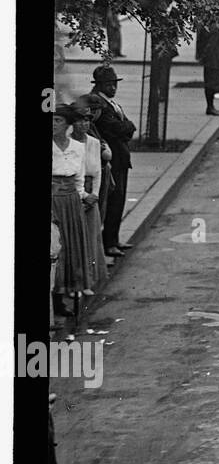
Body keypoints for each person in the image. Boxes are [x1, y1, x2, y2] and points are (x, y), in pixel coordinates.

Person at [51, 104, 95, 317]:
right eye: (51, 120)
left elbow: (79, 178)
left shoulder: (77, 147)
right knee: (56, 249)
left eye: (58, 121)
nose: (53, 125)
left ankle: (70, 291)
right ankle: (56, 299)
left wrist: (84, 197)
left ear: (68, 124)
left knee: (71, 246)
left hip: (71, 201)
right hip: (53, 200)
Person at [89, 64, 134, 257]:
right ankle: (109, 244)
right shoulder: (98, 104)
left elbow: (128, 126)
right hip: (111, 160)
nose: (113, 88)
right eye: (109, 84)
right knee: (113, 202)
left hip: (120, 158)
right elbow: (115, 128)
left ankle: (114, 239)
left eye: (115, 84)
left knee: (119, 201)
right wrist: (126, 127)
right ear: (99, 85)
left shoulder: (110, 103)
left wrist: (126, 127)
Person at [69, 99, 109, 292]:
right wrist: (83, 195)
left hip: (91, 191)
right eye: (79, 121)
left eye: (87, 121)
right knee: (77, 240)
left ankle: (89, 280)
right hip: (76, 192)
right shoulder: (68, 143)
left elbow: (98, 171)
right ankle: (77, 281)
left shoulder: (93, 142)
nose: (83, 125)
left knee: (91, 238)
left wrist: (94, 194)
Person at [196, 17, 219, 116]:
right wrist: (204, 57)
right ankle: (210, 107)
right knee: (211, 84)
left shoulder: (212, 25)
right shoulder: (215, 27)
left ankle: (211, 106)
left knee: (211, 83)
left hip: (214, 59)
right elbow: (211, 45)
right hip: (214, 60)